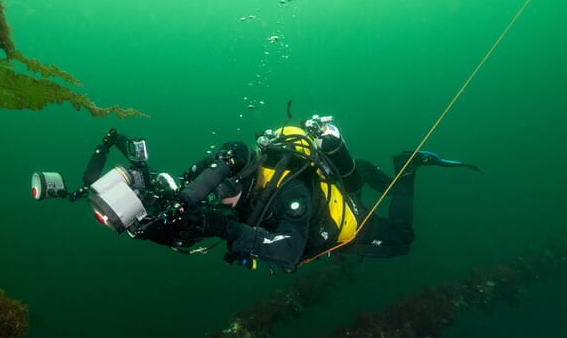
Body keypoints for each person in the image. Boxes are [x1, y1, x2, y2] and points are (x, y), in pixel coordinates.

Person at [80, 116, 479, 273]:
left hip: (342, 227)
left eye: (225, 190)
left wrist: (228, 229)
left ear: (244, 179)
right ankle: (371, 172)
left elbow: (288, 252)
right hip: (307, 225)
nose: (219, 196)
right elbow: (197, 221)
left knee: (403, 239)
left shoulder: (286, 189)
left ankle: (407, 168)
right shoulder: (229, 188)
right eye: (212, 192)